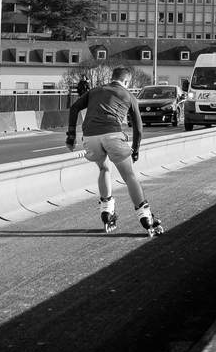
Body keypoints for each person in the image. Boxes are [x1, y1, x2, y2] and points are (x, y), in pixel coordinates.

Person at [66, 66, 164, 236]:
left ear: (112, 78)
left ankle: (106, 211)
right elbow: (138, 128)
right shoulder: (129, 96)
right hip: (113, 135)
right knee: (130, 176)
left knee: (104, 168)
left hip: (90, 137)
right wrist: (135, 149)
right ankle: (146, 217)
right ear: (126, 81)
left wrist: (71, 136)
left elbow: (74, 108)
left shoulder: (95, 90)